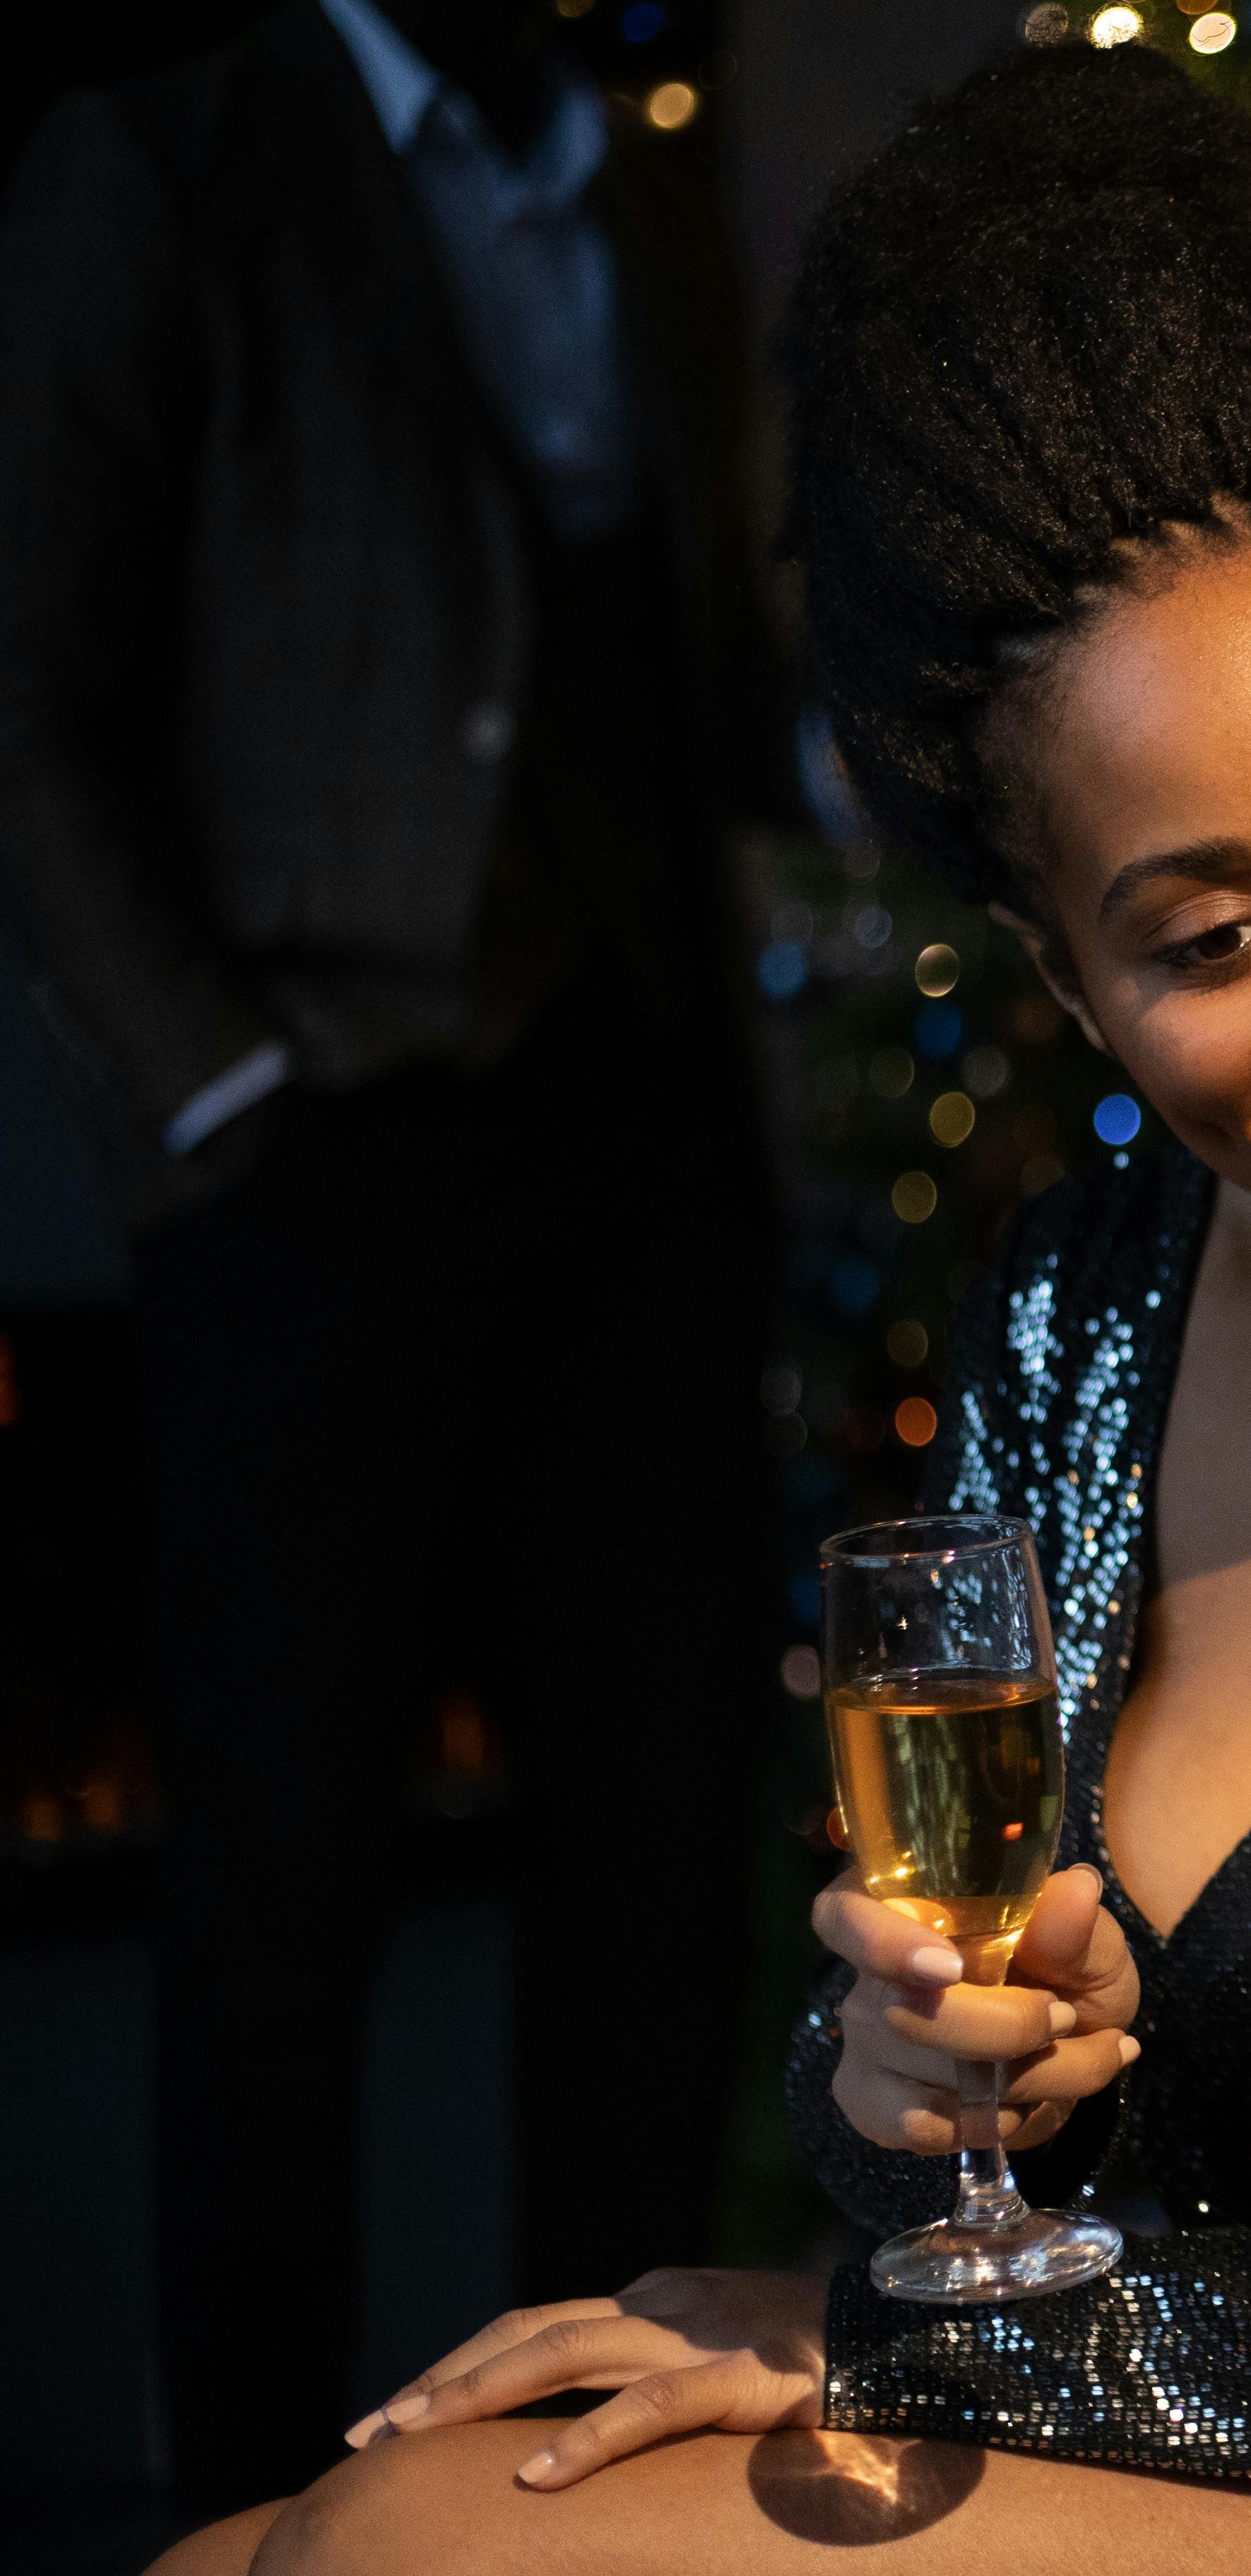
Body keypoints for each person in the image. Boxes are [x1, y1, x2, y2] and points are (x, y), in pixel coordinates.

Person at [150, 43, 1251, 2576]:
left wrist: (932, 2343)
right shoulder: (1092, 1303)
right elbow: (941, 2158)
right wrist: (916, 2090)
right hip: (1169, 2443)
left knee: (399, 2559)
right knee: (229, 2559)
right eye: (1212, 936)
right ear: (1069, 984)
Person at [0, 0, 781, 2512]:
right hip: (312, 1150)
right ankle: (248, 2518)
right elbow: (27, 678)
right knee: (271, 1929)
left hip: (640, 1137)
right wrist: (209, 1085)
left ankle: (600, 2512)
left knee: (662, 1876)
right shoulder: (166, 156)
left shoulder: (635, 167)